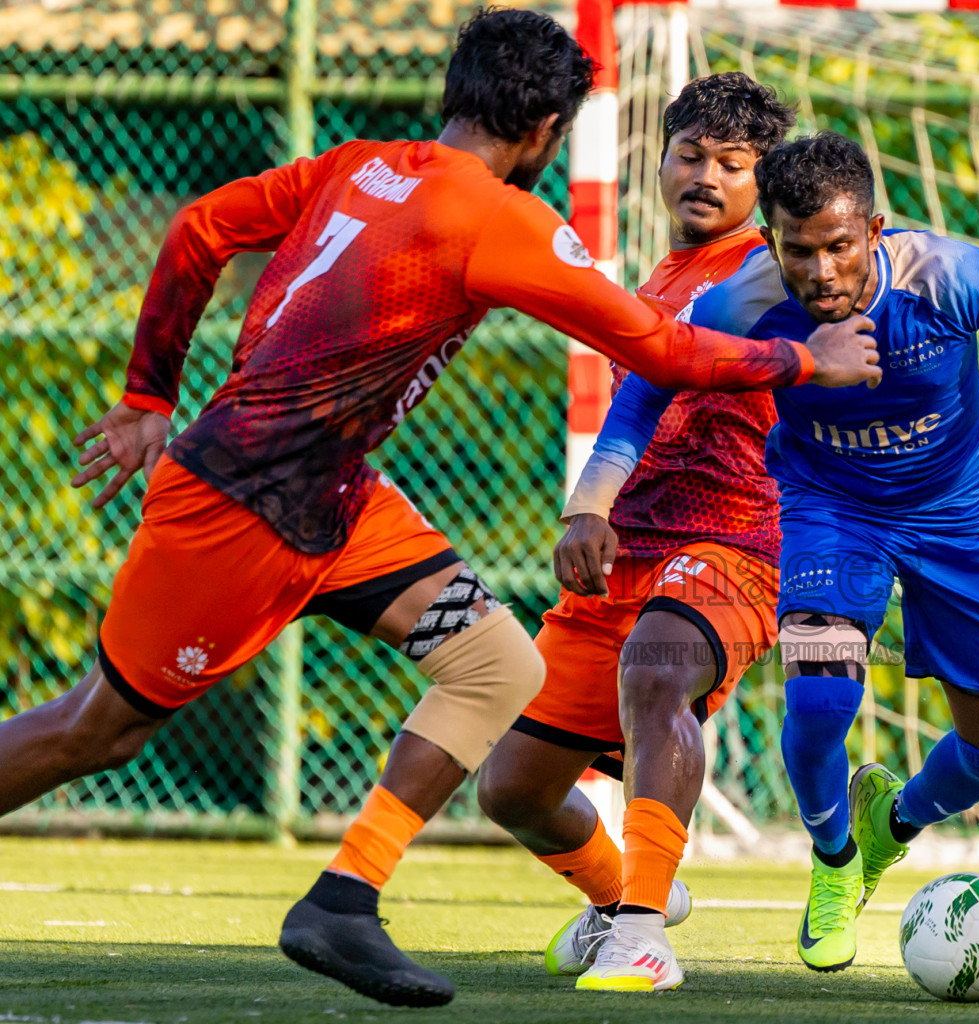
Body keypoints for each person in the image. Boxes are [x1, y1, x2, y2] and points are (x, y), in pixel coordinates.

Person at [5, 10, 878, 1009]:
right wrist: (811, 359)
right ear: (547, 131)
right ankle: (598, 905)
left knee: (499, 662)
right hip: (240, 508)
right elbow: (664, 352)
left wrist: (149, 397)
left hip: (339, 501)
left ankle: (345, 897)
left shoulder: (355, 162)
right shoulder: (502, 220)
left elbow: (199, 227)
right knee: (95, 730)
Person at [568, 131, 979, 971]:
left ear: (875, 229)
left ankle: (887, 825)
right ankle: (832, 861)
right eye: (799, 251)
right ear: (770, 243)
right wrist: (591, 503)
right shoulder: (739, 302)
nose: (822, 272)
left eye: (839, 247)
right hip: (832, 514)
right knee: (821, 700)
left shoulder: (948, 275)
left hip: (962, 522)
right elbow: (649, 383)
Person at [473, 71, 797, 994]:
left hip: (737, 544)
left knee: (659, 674)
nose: (708, 176)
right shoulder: (659, 277)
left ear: (764, 184)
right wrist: (595, 507)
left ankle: (644, 936)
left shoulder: (778, 270)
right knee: (513, 790)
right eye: (691, 155)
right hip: (633, 550)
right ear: (658, 160)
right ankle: (624, 898)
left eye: (735, 165)